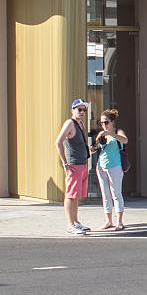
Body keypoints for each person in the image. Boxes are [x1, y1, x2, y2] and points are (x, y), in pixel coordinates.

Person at [55, 98, 91, 235]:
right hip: (73, 165)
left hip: (82, 163)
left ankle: (76, 222)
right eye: (79, 109)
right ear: (73, 110)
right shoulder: (70, 123)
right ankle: (70, 224)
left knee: (76, 196)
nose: (82, 112)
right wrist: (65, 163)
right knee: (70, 195)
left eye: (84, 110)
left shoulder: (80, 124)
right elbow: (58, 142)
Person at [91, 109, 128, 231]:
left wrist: (110, 134)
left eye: (106, 122)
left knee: (116, 194)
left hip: (115, 166)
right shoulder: (101, 133)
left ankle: (119, 221)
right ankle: (108, 221)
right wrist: (93, 146)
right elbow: (95, 148)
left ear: (112, 121)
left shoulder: (117, 131)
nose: (103, 125)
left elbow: (125, 140)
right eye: (101, 123)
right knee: (105, 194)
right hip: (101, 166)